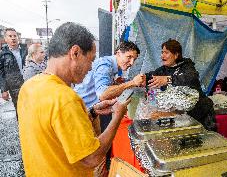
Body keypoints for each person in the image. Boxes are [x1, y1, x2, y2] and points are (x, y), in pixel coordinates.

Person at [17, 22, 130, 177]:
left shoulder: (29, 87)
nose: (91, 68)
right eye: (90, 60)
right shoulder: (65, 98)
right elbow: (92, 157)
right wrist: (117, 115)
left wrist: (91, 112)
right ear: (75, 53)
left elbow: (54, 131)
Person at [74, 41, 145, 168]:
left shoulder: (112, 67)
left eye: (134, 59)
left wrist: (117, 83)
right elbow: (103, 94)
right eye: (129, 57)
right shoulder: (105, 64)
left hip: (92, 111)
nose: (131, 63)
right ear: (118, 53)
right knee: (96, 157)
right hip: (82, 112)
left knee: (95, 151)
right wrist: (132, 83)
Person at [146, 39, 216, 130]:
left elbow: (191, 77)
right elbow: (150, 77)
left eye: (166, 52)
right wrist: (142, 78)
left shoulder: (187, 66)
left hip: (201, 113)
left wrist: (168, 79)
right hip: (182, 115)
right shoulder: (162, 70)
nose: (162, 55)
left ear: (176, 55)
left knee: (205, 140)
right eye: (162, 52)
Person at [0, 28, 27, 112]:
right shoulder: (3, 54)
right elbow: (1, 73)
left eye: (15, 36)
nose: (13, 38)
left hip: (29, 84)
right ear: (5, 39)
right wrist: (4, 90)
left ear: (18, 38)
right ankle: (22, 125)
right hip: (14, 88)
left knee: (33, 108)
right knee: (20, 110)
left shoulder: (25, 50)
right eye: (10, 36)